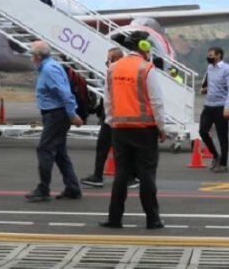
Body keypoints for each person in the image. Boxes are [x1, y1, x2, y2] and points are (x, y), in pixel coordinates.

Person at [99, 39, 167, 230]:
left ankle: (114, 218)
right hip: (144, 129)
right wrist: (161, 128)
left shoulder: (112, 68)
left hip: (120, 129)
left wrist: (111, 122)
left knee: (121, 174)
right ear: (145, 50)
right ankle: (152, 219)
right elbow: (156, 102)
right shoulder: (146, 68)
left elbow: (108, 100)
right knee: (146, 174)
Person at [26, 41, 84, 202]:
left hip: (56, 115)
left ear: (37, 56)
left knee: (44, 149)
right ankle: (73, 188)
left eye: (32, 54)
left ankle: (43, 189)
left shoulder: (49, 70)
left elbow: (65, 93)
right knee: (59, 153)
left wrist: (72, 114)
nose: (31, 57)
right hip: (54, 114)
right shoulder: (49, 67)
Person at [81, 48, 141, 190]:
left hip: (117, 119)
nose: (106, 63)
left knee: (121, 150)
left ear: (115, 60)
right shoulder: (114, 73)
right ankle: (98, 176)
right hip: (111, 118)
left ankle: (131, 177)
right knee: (104, 147)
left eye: (108, 59)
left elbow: (114, 98)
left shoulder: (118, 74)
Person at [199, 46, 229, 173]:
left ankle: (223, 164)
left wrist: (227, 106)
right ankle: (215, 155)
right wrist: (205, 90)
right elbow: (210, 84)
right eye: (208, 54)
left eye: (211, 54)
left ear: (218, 55)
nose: (208, 56)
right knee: (202, 131)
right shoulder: (210, 68)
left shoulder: (227, 69)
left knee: (222, 137)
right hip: (208, 106)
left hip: (221, 107)